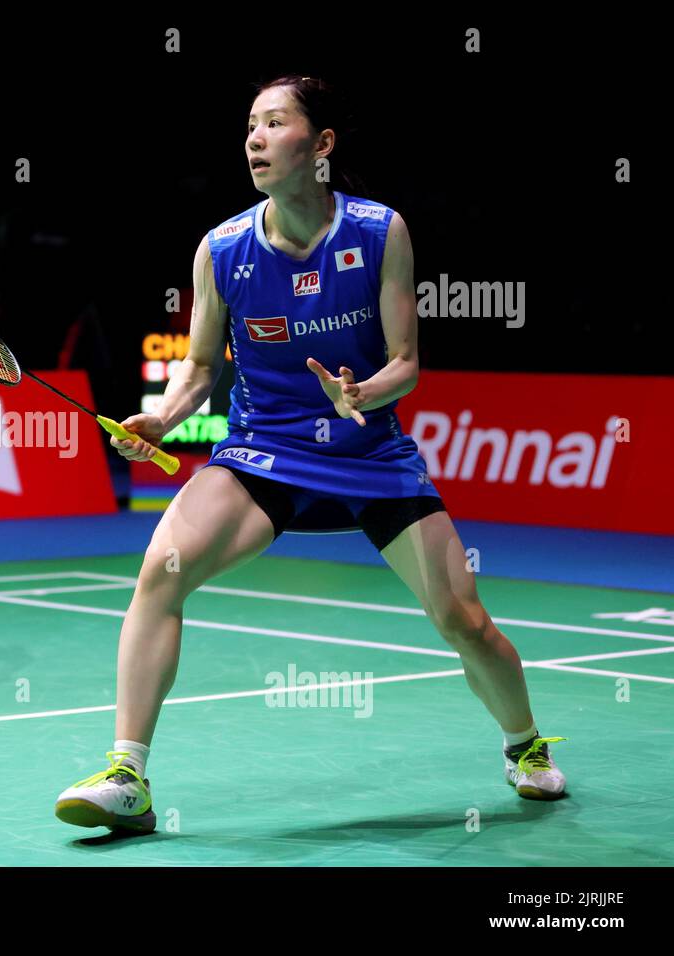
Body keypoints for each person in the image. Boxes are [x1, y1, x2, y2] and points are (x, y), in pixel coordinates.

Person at [55, 76, 564, 832]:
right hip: (263, 450)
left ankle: (523, 744)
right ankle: (127, 774)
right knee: (161, 572)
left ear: (320, 145)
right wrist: (165, 417)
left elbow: (405, 361)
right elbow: (201, 367)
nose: (254, 139)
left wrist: (364, 396)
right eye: (250, 126)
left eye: (275, 123)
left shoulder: (377, 231)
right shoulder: (222, 249)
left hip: (372, 455)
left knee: (465, 620)